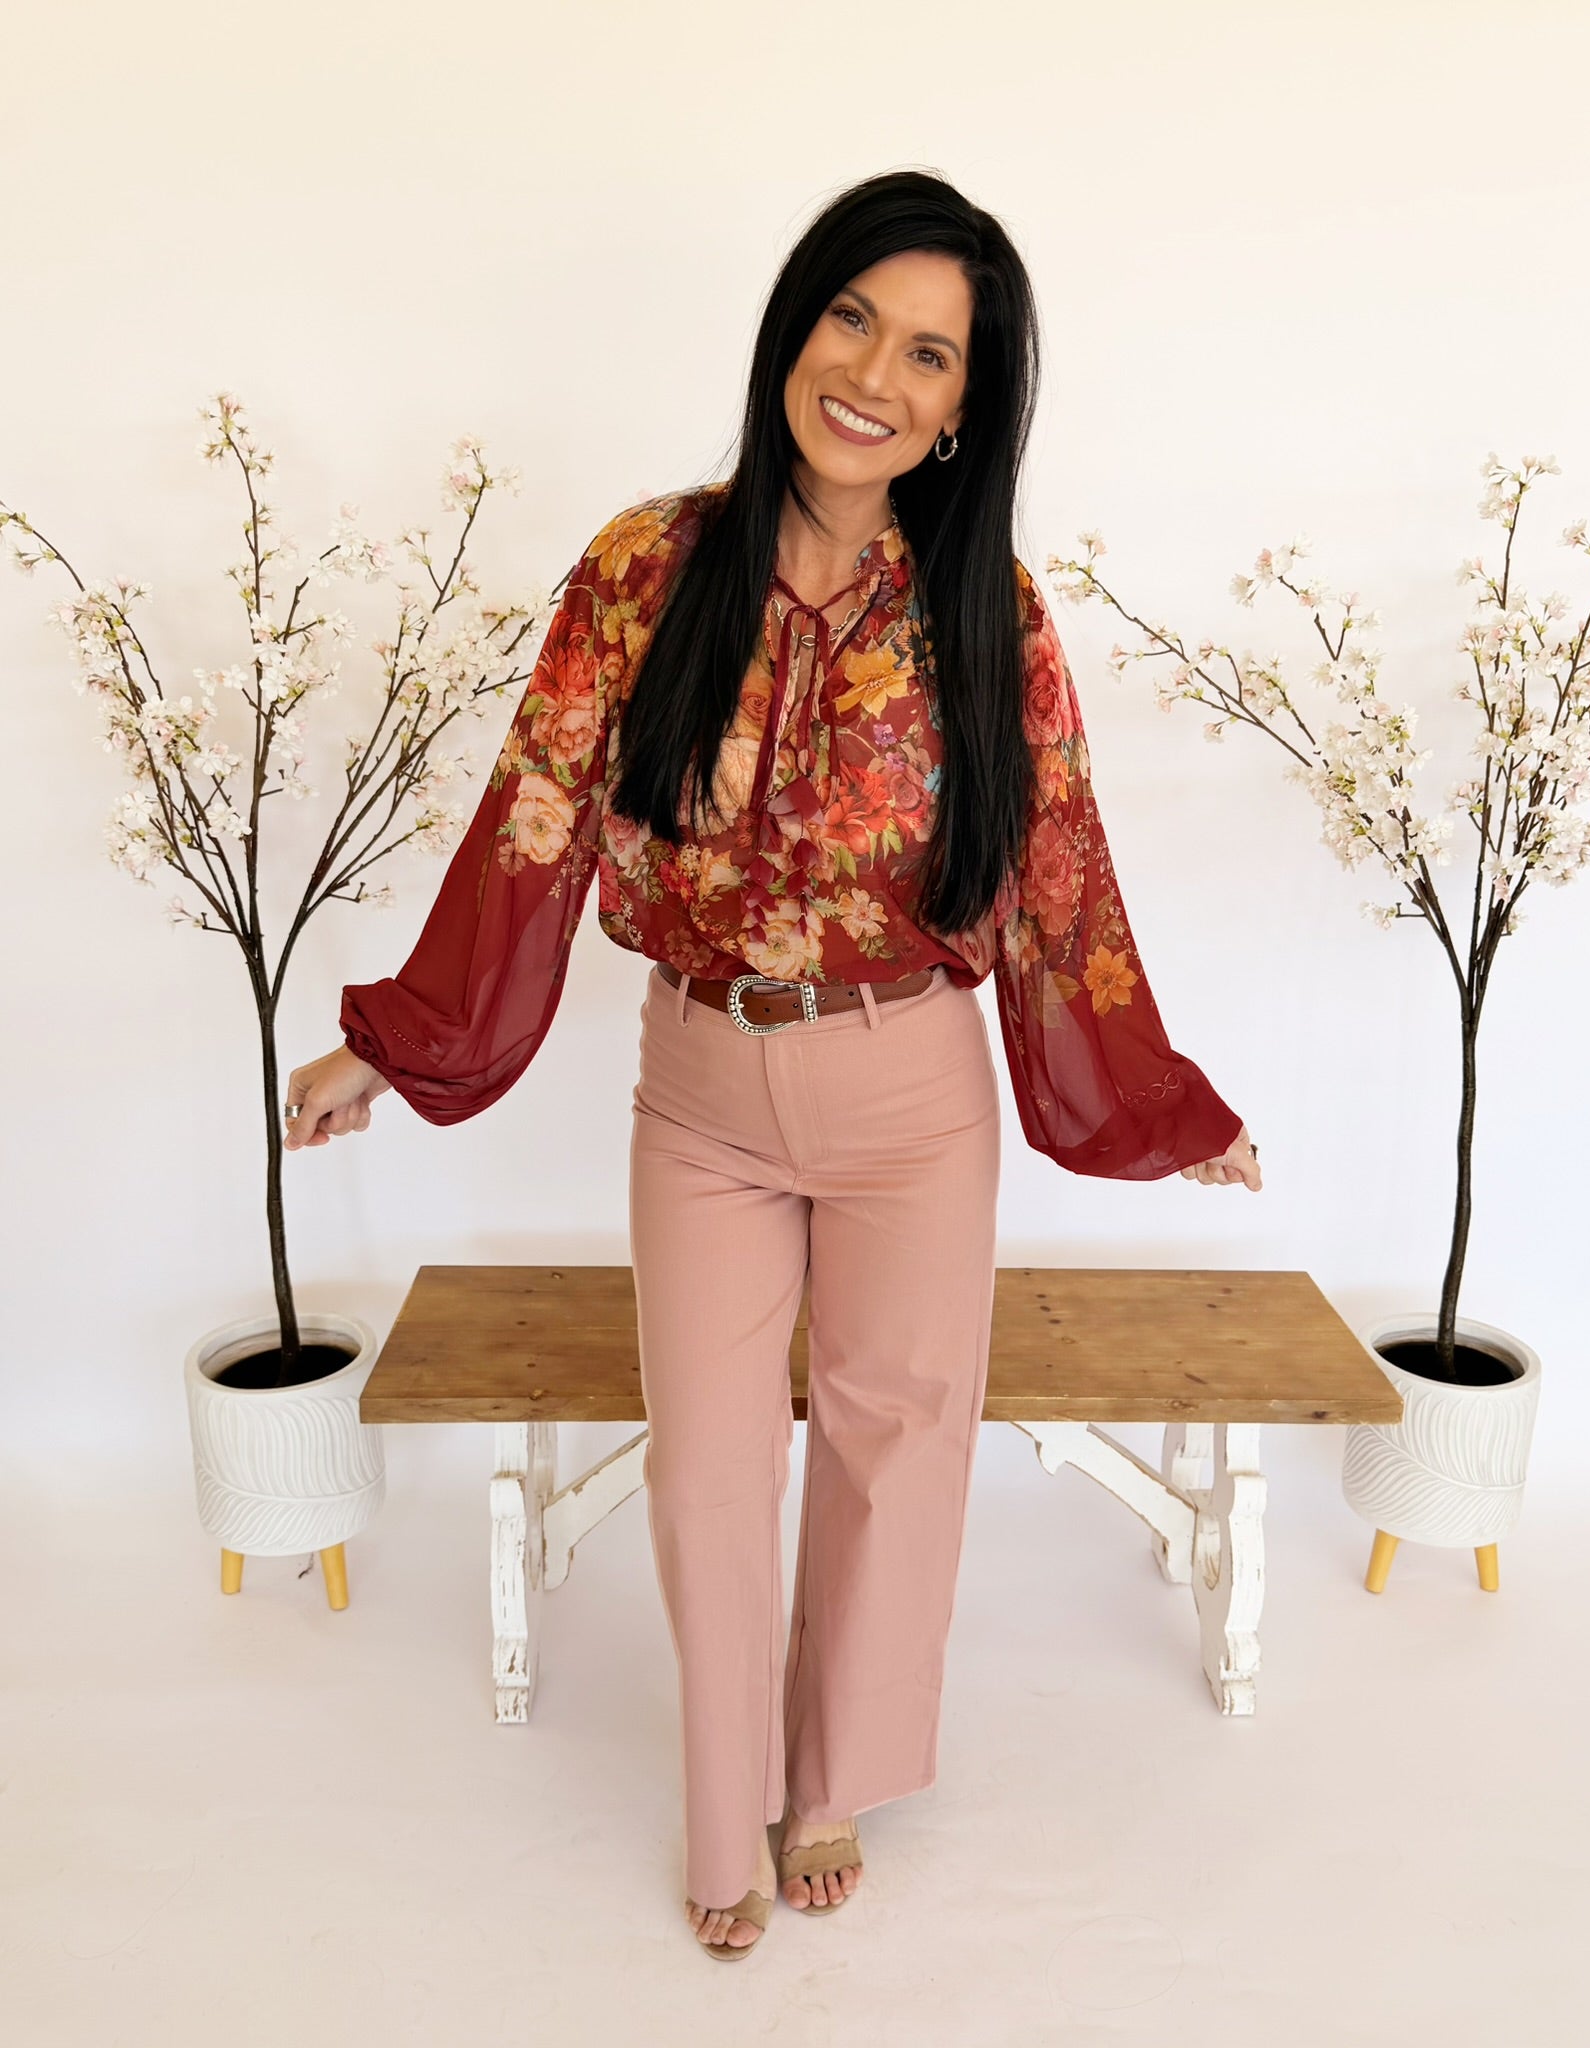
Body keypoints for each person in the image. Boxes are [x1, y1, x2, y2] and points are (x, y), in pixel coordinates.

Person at [282, 169, 1263, 1961]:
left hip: (912, 1099)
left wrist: (1150, 1102)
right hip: (702, 1097)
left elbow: (1059, 873)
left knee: (898, 1447)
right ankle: (719, 1794)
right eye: (853, 318)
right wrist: (392, 1049)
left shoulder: (987, 614)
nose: (875, 374)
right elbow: (534, 816)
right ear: (795, 324)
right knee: (709, 1468)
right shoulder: (644, 569)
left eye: (929, 353)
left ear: (965, 407)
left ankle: (831, 1784)